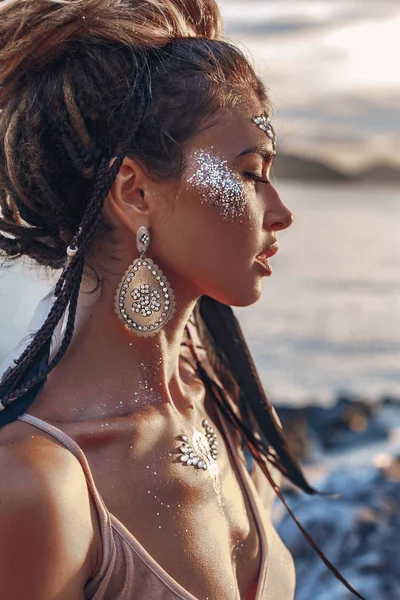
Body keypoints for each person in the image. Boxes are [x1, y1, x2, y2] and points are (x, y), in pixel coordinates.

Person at [0, 1, 365, 599]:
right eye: (249, 173)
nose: (282, 213)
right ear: (135, 191)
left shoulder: (214, 405)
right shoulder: (37, 486)